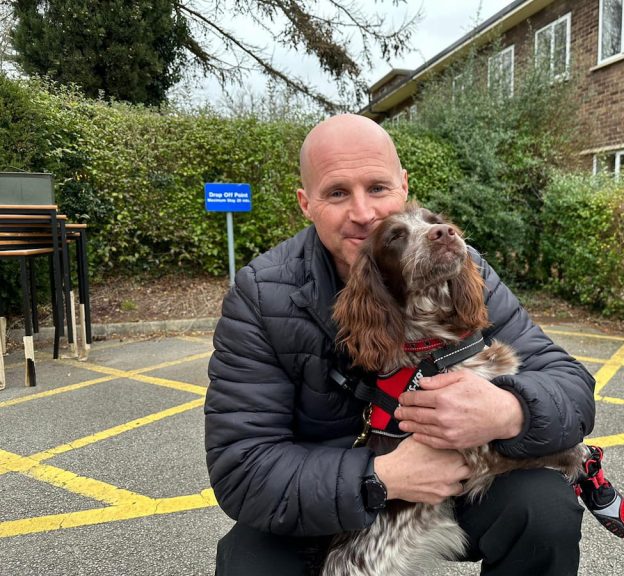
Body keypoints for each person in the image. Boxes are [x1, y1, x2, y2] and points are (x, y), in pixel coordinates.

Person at [205, 114, 596, 575]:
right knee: (248, 564)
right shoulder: (262, 294)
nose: (364, 213)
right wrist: (382, 478)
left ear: (404, 186)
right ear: (305, 203)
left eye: (378, 188)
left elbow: (570, 386)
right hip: (324, 496)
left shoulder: (461, 263)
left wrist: (511, 412)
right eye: (336, 193)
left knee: (544, 508)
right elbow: (244, 468)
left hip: (463, 478)